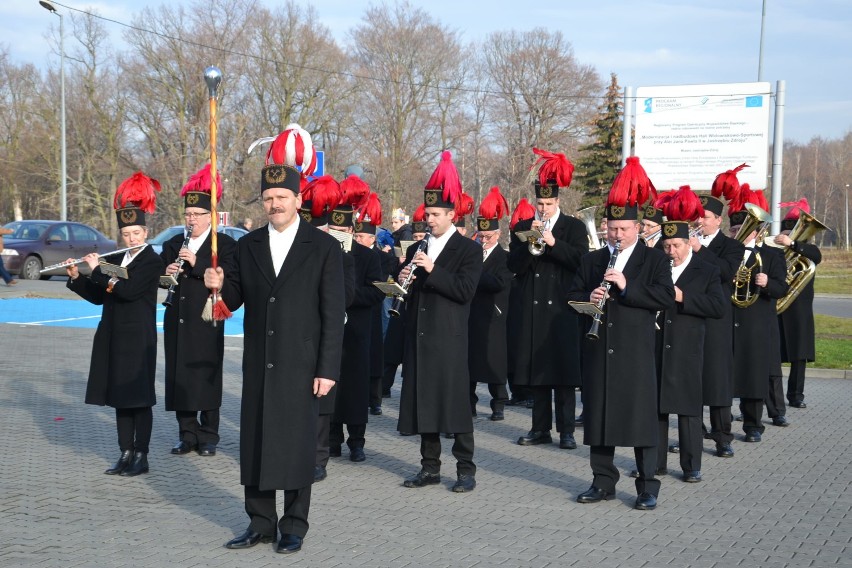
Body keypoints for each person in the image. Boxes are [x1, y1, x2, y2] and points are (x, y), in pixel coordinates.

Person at [205, 125, 345, 555]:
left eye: (281, 197)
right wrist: (216, 285)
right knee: (257, 442)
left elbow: (332, 316)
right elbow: (233, 300)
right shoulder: (246, 247)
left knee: (298, 445)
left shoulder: (323, 248)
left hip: (303, 365)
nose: (274, 204)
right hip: (261, 362)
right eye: (267, 198)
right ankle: (260, 522)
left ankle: (294, 525)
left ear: (298, 200)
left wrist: (327, 369)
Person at [567, 157, 674, 511]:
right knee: (599, 416)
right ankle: (602, 482)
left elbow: (663, 298)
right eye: (612, 229)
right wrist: (589, 298)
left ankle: (647, 485)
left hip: (636, 350)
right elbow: (573, 295)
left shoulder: (655, 260)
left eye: (624, 229)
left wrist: (627, 286)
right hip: (599, 349)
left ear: (637, 229)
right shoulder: (593, 260)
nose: (616, 235)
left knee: (641, 419)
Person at [66, 172, 163, 477]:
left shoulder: (151, 261)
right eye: (126, 234)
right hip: (113, 336)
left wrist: (97, 271)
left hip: (138, 338)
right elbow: (100, 296)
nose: (131, 239)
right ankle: (125, 452)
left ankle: (141, 455)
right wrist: (78, 278)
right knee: (121, 397)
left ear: (145, 232)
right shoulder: (118, 258)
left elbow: (130, 291)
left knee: (139, 398)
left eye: (136, 233)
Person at [397, 151, 482, 492]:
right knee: (424, 403)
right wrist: (402, 277)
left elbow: (464, 290)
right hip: (419, 336)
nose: (428, 219)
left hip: (449, 337)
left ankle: (465, 469)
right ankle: (429, 467)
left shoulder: (468, 250)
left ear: (451, 215)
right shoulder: (416, 246)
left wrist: (433, 269)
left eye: (435, 214)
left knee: (455, 404)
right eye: (427, 214)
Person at [508, 149, 588, 450]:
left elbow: (581, 261)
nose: (543, 208)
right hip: (532, 307)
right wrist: (531, 244)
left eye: (549, 203)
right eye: (539, 203)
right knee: (537, 372)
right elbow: (512, 266)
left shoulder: (574, 227)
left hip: (563, 309)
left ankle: (566, 431)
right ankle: (539, 428)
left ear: (558, 202)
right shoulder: (522, 227)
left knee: (564, 375)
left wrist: (553, 243)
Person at [161, 165, 237, 457]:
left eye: (197, 215)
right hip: (178, 319)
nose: (191, 219)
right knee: (180, 377)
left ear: (210, 217)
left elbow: (226, 277)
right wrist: (167, 273)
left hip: (207, 318)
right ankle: (186, 434)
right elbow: (161, 278)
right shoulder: (171, 244)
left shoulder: (224, 245)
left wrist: (197, 263)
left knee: (206, 376)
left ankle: (209, 436)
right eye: (188, 215)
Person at [652, 193, 725, 483]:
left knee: (688, 409)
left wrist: (684, 297)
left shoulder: (706, 270)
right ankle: (654, 463)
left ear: (688, 244)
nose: (672, 251)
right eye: (667, 246)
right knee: (656, 408)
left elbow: (718, 307)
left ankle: (691, 465)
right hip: (657, 345)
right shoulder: (656, 266)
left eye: (677, 245)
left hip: (688, 347)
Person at [328, 177, 384, 463]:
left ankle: (357, 441)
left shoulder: (366, 255)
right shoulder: (323, 252)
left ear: (352, 230)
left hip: (358, 331)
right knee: (331, 387)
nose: (338, 234)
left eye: (343, 230)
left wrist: (346, 297)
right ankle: (333, 438)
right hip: (331, 332)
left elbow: (375, 292)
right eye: (333, 230)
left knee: (356, 389)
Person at [727, 186, 788, 443]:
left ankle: (753, 426)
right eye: (732, 230)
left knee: (753, 376)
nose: (737, 234)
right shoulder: (723, 252)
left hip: (756, 323)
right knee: (723, 374)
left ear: (755, 231)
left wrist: (767, 283)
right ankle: (720, 425)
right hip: (728, 320)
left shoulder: (772, 255)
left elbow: (782, 287)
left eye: (742, 229)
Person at [692, 192, 744, 457]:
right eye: (698, 215)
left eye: (705, 217)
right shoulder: (684, 243)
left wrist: (698, 249)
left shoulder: (731, 246)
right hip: (689, 316)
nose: (700, 220)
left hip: (717, 320)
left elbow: (725, 272)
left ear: (718, 220)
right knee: (691, 379)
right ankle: (693, 433)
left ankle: (723, 437)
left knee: (717, 380)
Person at [468, 187, 513, 421]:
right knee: (470, 364)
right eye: (481, 237)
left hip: (494, 314)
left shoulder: (504, 257)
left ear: (498, 235)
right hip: (472, 313)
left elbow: (498, 282)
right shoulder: (473, 254)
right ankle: (471, 405)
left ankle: (499, 404)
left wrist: (476, 273)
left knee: (494, 363)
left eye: (488, 237)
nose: (484, 241)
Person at [776, 198, 822, 409]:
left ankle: (796, 395)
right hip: (777, 307)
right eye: (785, 235)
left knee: (799, 356)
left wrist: (793, 245)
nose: (787, 238)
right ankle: (773, 397)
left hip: (799, 309)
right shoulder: (775, 251)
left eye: (791, 234)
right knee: (773, 354)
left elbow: (816, 256)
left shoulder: (807, 250)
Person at [352, 191, 396, 416]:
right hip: (357, 312)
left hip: (374, 310)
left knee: (375, 353)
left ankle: (375, 398)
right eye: (356, 236)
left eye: (362, 237)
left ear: (371, 239)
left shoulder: (383, 257)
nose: (359, 240)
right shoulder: (351, 255)